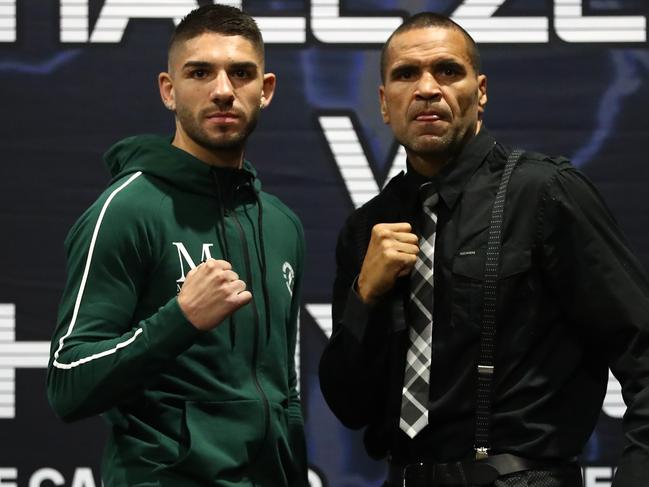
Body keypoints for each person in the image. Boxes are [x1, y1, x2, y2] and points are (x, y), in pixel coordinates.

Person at [319, 12, 649, 487]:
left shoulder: (543, 193)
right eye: (406, 74)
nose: (427, 88)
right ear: (384, 103)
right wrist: (363, 298)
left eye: (448, 71)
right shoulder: (366, 228)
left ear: (482, 92)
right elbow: (349, 407)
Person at [47, 5, 307, 486]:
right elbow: (67, 382)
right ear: (169, 90)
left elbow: (283, 393)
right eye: (200, 72)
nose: (223, 91)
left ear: (265, 89)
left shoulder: (281, 225)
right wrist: (178, 319)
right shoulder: (127, 209)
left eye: (241, 74)